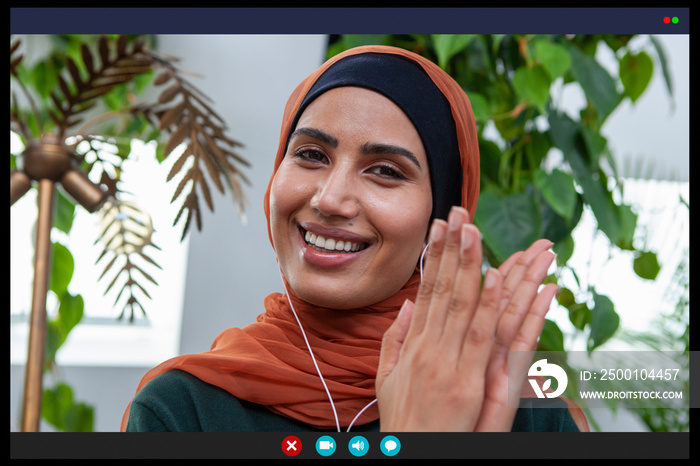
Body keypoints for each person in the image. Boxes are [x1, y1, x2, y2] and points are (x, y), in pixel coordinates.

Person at [121, 45, 588, 433]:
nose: (331, 198)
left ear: (440, 217)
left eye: (385, 171)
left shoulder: (525, 413)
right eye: (309, 154)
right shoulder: (183, 411)